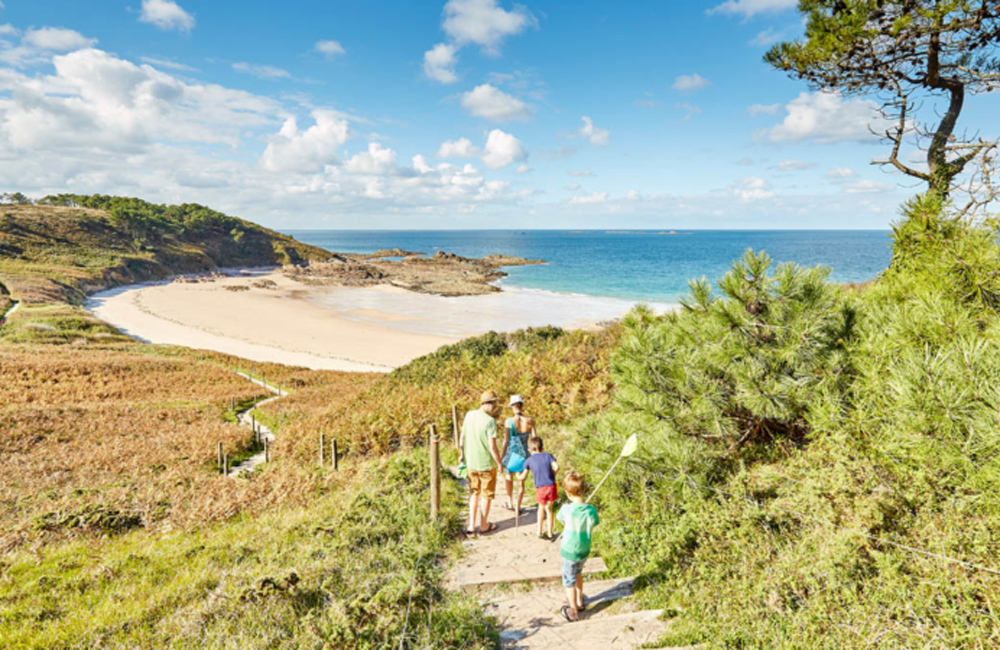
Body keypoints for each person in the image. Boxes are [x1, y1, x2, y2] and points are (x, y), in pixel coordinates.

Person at [458, 390, 504, 537]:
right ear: (487, 404)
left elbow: (462, 438)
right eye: (494, 404)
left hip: (471, 462)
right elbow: (492, 447)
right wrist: (500, 463)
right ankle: (484, 525)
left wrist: (462, 454)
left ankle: (471, 525)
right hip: (486, 465)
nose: (495, 407)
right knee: (486, 495)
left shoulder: (469, 415)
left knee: (474, 493)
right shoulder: (490, 422)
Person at [556, 471, 599, 622]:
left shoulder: (567, 509)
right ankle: (580, 601)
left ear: (567, 492)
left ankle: (573, 610)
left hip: (569, 550)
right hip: (584, 549)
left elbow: (560, 518)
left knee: (569, 580)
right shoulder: (591, 510)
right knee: (578, 573)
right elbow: (595, 522)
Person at [502, 394, 535, 514]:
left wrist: (502, 456)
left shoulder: (509, 421)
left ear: (512, 406)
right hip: (524, 454)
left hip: (512, 453)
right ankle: (518, 506)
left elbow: (506, 440)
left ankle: (510, 501)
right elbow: (534, 440)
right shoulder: (530, 421)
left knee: (508, 476)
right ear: (522, 406)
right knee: (521, 481)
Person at [520, 436, 559, 539]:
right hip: (551, 485)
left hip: (540, 487)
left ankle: (539, 531)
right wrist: (553, 473)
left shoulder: (529, 460)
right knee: (549, 509)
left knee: (541, 508)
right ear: (542, 448)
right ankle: (550, 533)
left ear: (529, 449)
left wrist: (518, 476)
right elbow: (556, 466)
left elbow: (523, 476)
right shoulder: (548, 456)